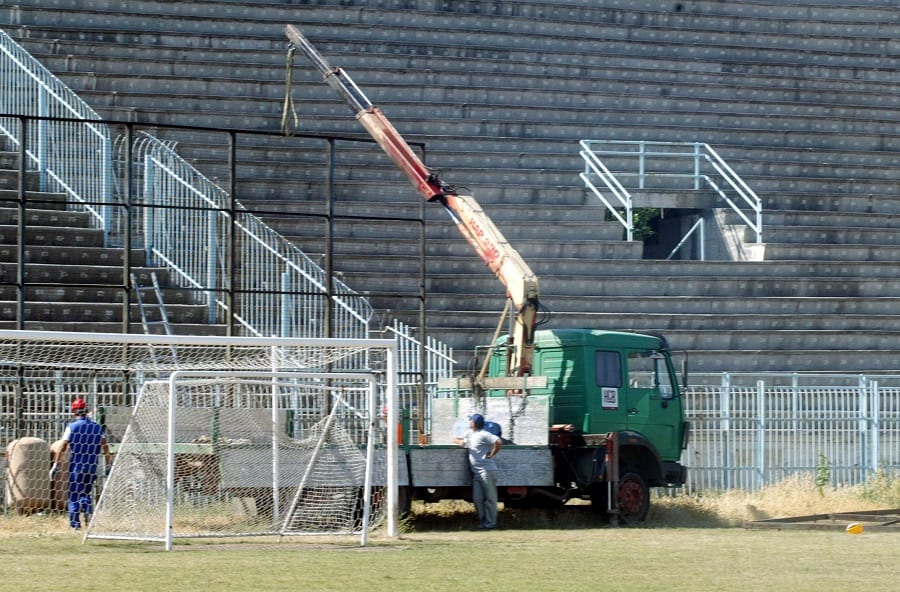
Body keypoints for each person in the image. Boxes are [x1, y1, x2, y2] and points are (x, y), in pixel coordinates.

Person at [50, 398, 113, 530]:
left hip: (77, 466)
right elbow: (105, 446)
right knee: (85, 493)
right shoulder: (97, 427)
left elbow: (62, 445)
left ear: (74, 412)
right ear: (85, 411)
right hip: (92, 465)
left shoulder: (72, 427)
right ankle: (88, 514)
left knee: (74, 494)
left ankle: (75, 525)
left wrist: (56, 464)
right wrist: (108, 463)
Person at [454, 413, 502, 530]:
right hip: (476, 472)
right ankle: (483, 521)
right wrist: (461, 442)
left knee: (490, 498)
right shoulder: (470, 434)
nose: (469, 422)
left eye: (471, 420)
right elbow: (458, 439)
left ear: (476, 423)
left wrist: (492, 454)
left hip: (487, 471)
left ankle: (490, 523)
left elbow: (498, 441)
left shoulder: (484, 434)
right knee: (477, 498)